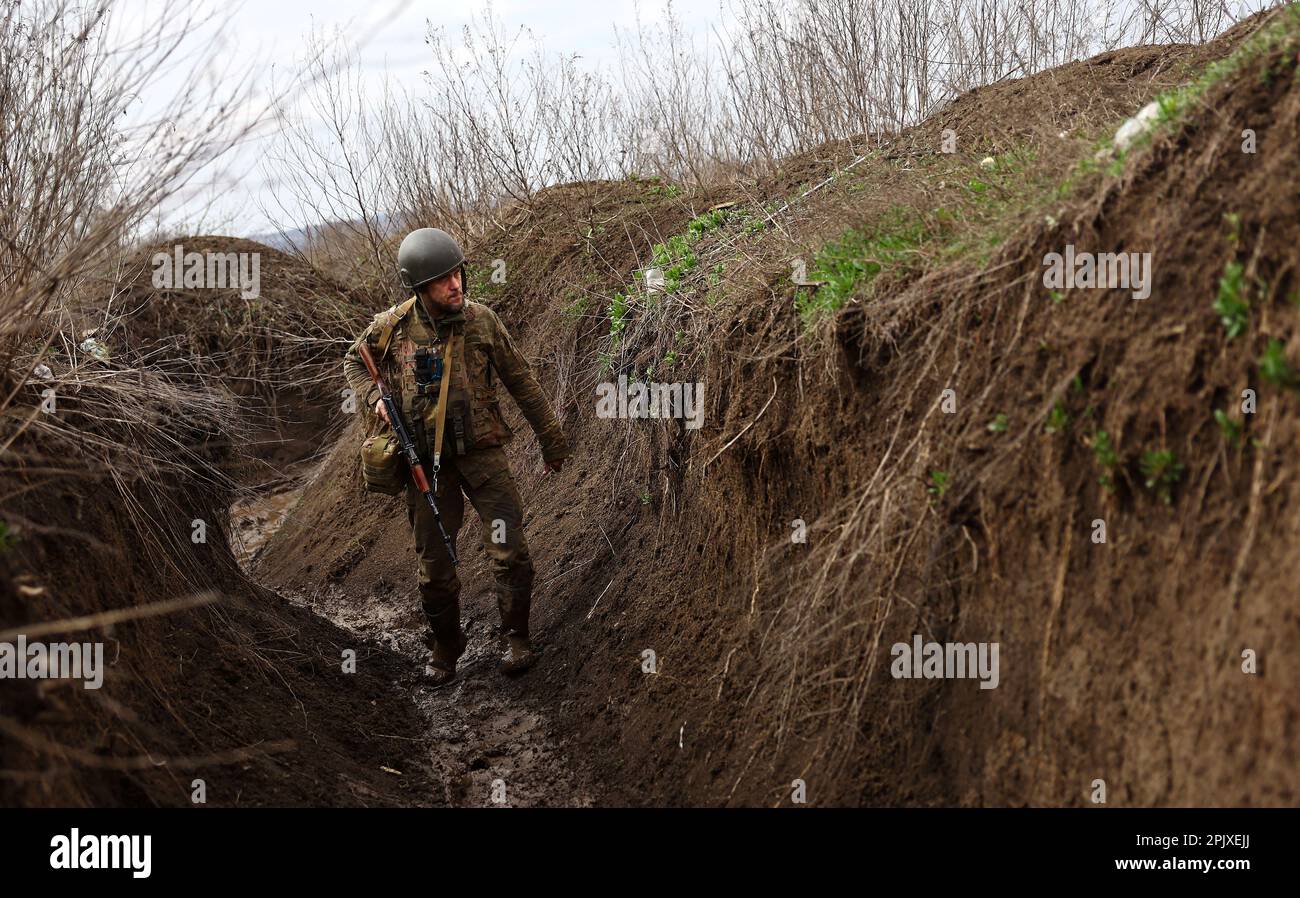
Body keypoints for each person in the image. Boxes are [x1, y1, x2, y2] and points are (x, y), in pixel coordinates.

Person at [343, 228, 569, 686]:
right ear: (419, 287)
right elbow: (354, 359)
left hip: (483, 456)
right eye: (442, 279)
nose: (455, 285)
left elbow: (522, 381)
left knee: (510, 552)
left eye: (457, 274)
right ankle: (446, 646)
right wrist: (376, 400)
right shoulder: (392, 325)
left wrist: (552, 441)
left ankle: (516, 637)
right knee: (434, 569)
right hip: (426, 466)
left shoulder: (482, 321)